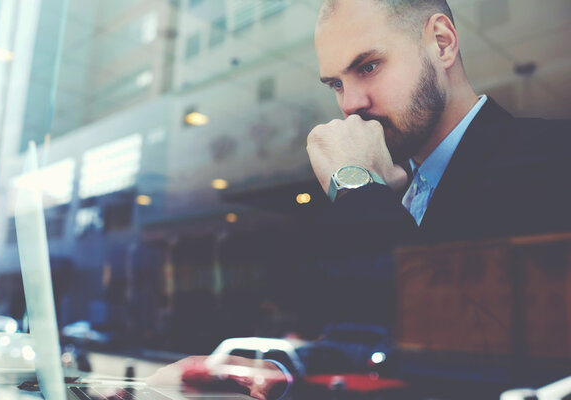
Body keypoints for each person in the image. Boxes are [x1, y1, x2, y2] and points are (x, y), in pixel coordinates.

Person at [147, 0, 571, 398]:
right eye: (336, 84)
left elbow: (456, 343)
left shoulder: (552, 159)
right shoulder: (395, 192)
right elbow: (375, 351)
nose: (351, 105)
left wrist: (357, 187)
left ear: (441, 43)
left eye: (368, 66)